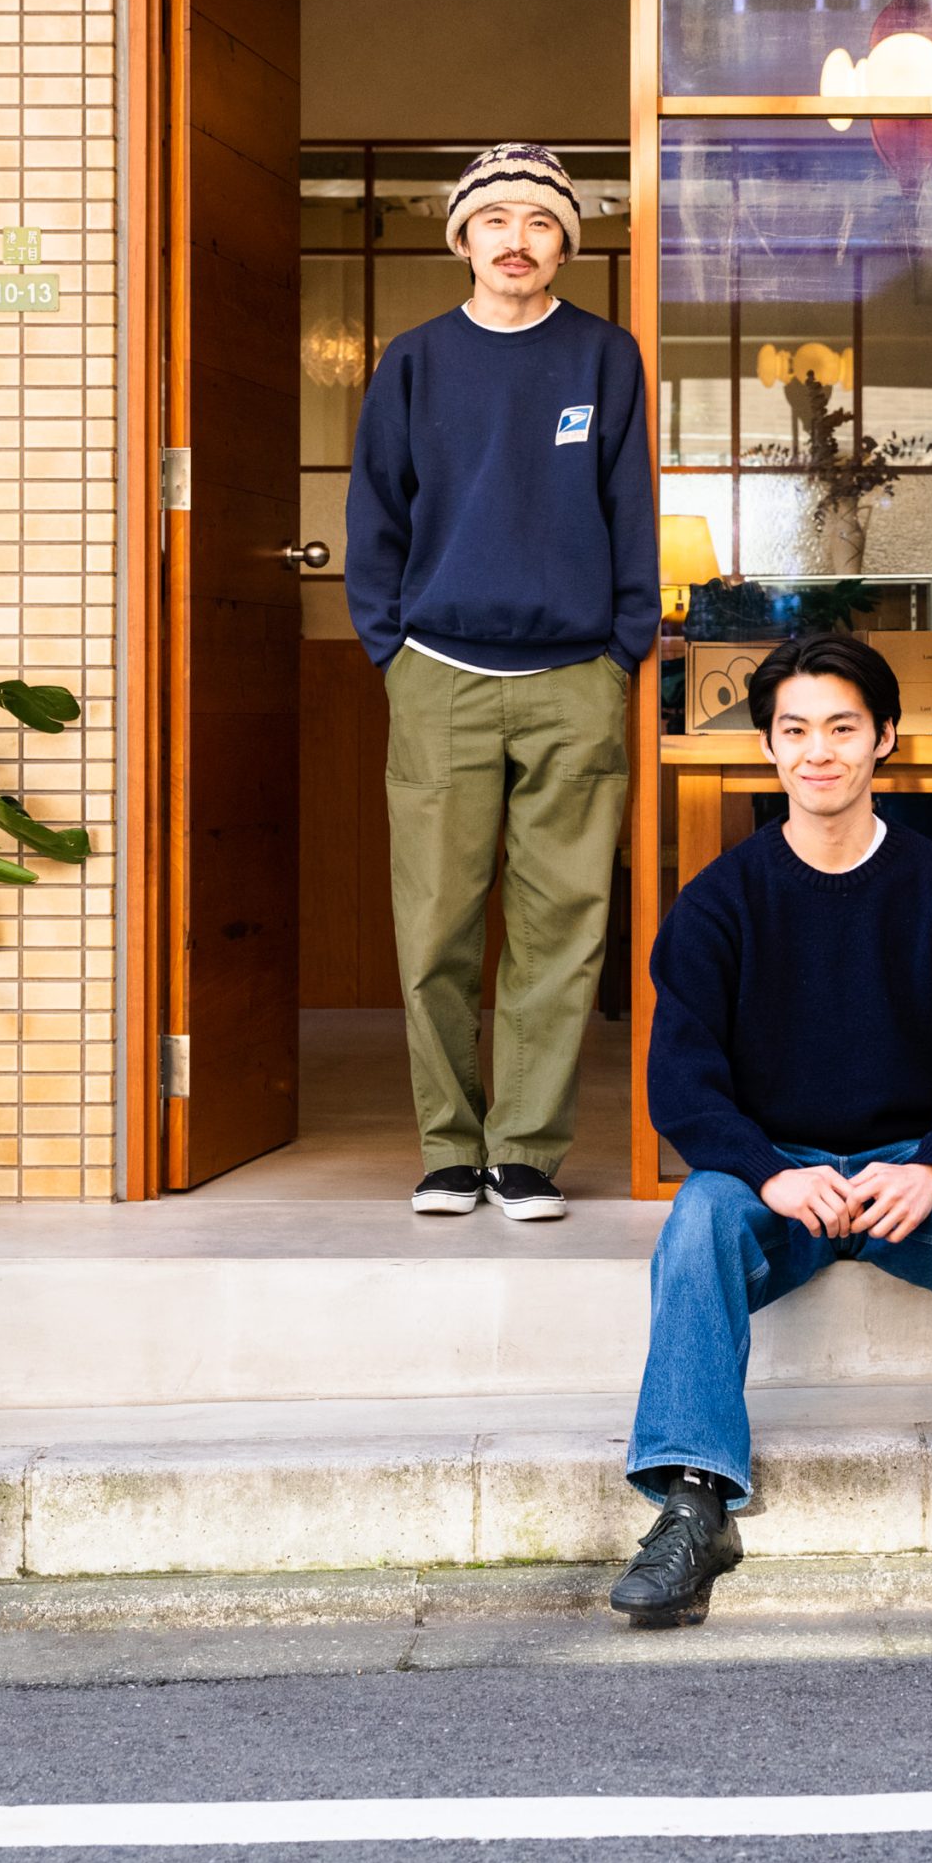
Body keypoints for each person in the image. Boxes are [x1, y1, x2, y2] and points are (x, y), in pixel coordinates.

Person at [611, 630, 932, 1629]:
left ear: (885, 738)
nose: (818, 750)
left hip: (905, 1175)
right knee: (701, 1212)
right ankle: (693, 1501)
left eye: (842, 727)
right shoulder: (719, 904)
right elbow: (684, 1083)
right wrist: (766, 1173)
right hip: (780, 1181)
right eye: (794, 730)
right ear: (769, 748)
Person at [345, 143, 656, 1222]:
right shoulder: (415, 361)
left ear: (565, 240)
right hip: (440, 673)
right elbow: (374, 515)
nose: (516, 239)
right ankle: (446, 1146)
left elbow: (632, 513)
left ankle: (523, 1151)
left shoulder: (605, 359)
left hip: (577, 675)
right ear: (465, 238)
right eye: (495, 220)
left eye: (539, 220)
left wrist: (624, 646)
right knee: (434, 924)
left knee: (563, 925)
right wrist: (390, 646)